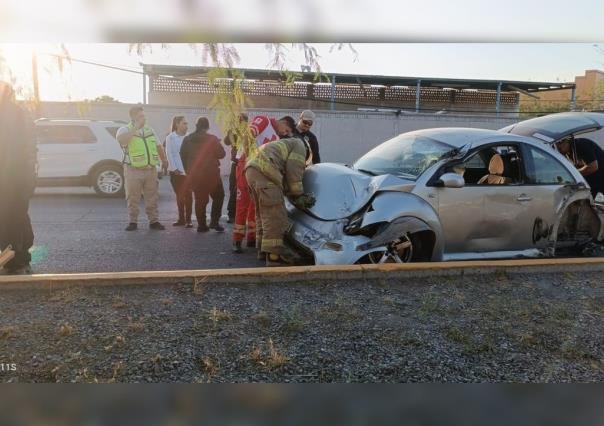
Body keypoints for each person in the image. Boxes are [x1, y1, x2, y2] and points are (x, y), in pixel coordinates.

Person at [245, 137, 315, 266]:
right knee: (274, 215)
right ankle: (274, 256)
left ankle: (262, 250)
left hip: (251, 171)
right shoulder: (299, 145)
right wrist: (298, 195)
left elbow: (284, 174)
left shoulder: (282, 144)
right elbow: (294, 171)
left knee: (263, 214)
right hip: (265, 173)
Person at [0, 81, 37, 275]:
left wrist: (28, 177)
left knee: (14, 219)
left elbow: (28, 148)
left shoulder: (18, 114)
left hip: (14, 178)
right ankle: (13, 260)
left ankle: (17, 261)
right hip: (12, 178)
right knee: (13, 219)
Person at [231, 115, 279, 253]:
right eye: (287, 130)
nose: (286, 133)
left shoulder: (277, 137)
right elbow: (248, 135)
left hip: (258, 170)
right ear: (285, 123)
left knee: (255, 205)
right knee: (243, 204)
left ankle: (251, 237)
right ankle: (237, 239)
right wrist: (247, 157)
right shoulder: (264, 120)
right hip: (246, 164)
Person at [116, 106, 168, 231]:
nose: (143, 118)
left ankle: (154, 221)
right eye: (140, 116)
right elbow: (122, 140)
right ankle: (133, 222)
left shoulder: (150, 130)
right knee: (133, 197)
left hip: (150, 170)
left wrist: (164, 160)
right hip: (133, 170)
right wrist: (135, 128)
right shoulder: (124, 129)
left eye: (144, 116)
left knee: (152, 197)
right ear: (133, 117)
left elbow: (158, 146)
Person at [180, 117, 226, 233]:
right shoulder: (212, 139)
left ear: (196, 126)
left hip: (195, 175)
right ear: (207, 127)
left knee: (200, 200)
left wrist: (188, 171)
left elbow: (182, 156)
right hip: (212, 175)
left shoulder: (187, 139)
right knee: (219, 196)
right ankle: (214, 222)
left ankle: (201, 225)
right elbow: (222, 154)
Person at [165, 116, 193, 227]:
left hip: (188, 172)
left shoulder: (190, 137)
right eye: (184, 123)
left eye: (187, 123)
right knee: (180, 196)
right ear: (177, 124)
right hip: (176, 172)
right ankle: (181, 219)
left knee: (189, 196)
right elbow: (169, 153)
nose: (186, 126)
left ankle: (188, 220)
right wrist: (174, 168)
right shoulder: (170, 137)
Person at [223, 113, 248, 224]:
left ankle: (239, 214)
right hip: (235, 164)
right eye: (240, 121)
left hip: (246, 164)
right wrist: (231, 131)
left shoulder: (249, 132)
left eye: (243, 121)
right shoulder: (233, 132)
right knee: (233, 189)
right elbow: (226, 141)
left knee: (240, 190)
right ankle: (231, 214)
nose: (241, 123)